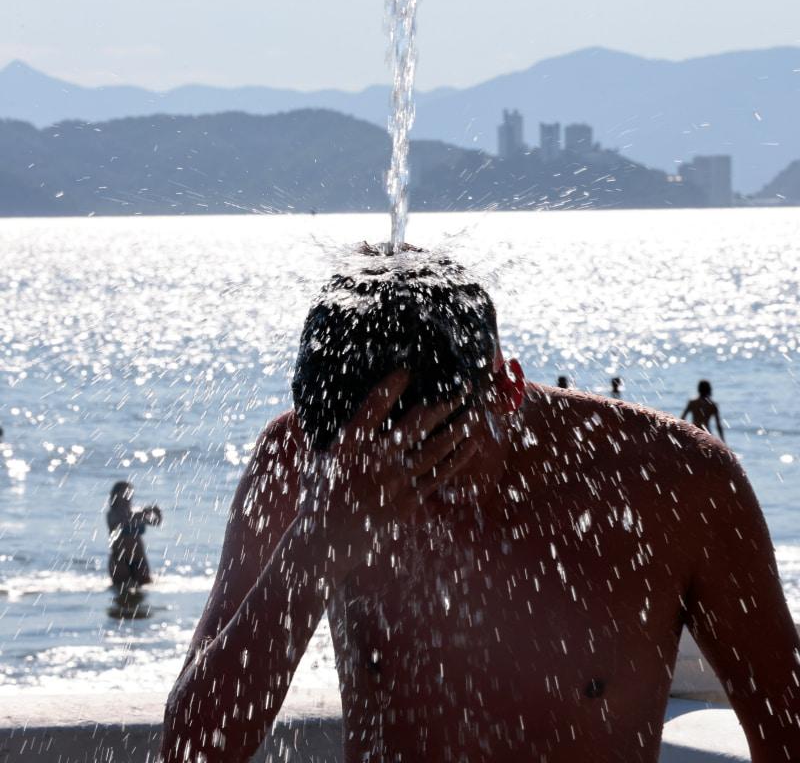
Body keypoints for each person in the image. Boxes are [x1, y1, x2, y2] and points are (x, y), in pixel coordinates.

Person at [162, 252, 799, 763]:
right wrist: (317, 543)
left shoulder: (675, 481)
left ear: (506, 390)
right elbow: (191, 750)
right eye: (373, 478)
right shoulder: (304, 463)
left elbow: (788, 730)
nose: (406, 500)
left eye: (433, 461)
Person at [106, 480, 162, 590]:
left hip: (139, 559)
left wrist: (157, 513)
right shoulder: (112, 514)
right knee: (121, 592)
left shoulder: (136, 511)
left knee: (143, 592)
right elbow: (124, 521)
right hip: (120, 560)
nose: (127, 495)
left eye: (129, 492)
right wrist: (143, 514)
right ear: (116, 495)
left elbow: (156, 522)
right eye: (124, 492)